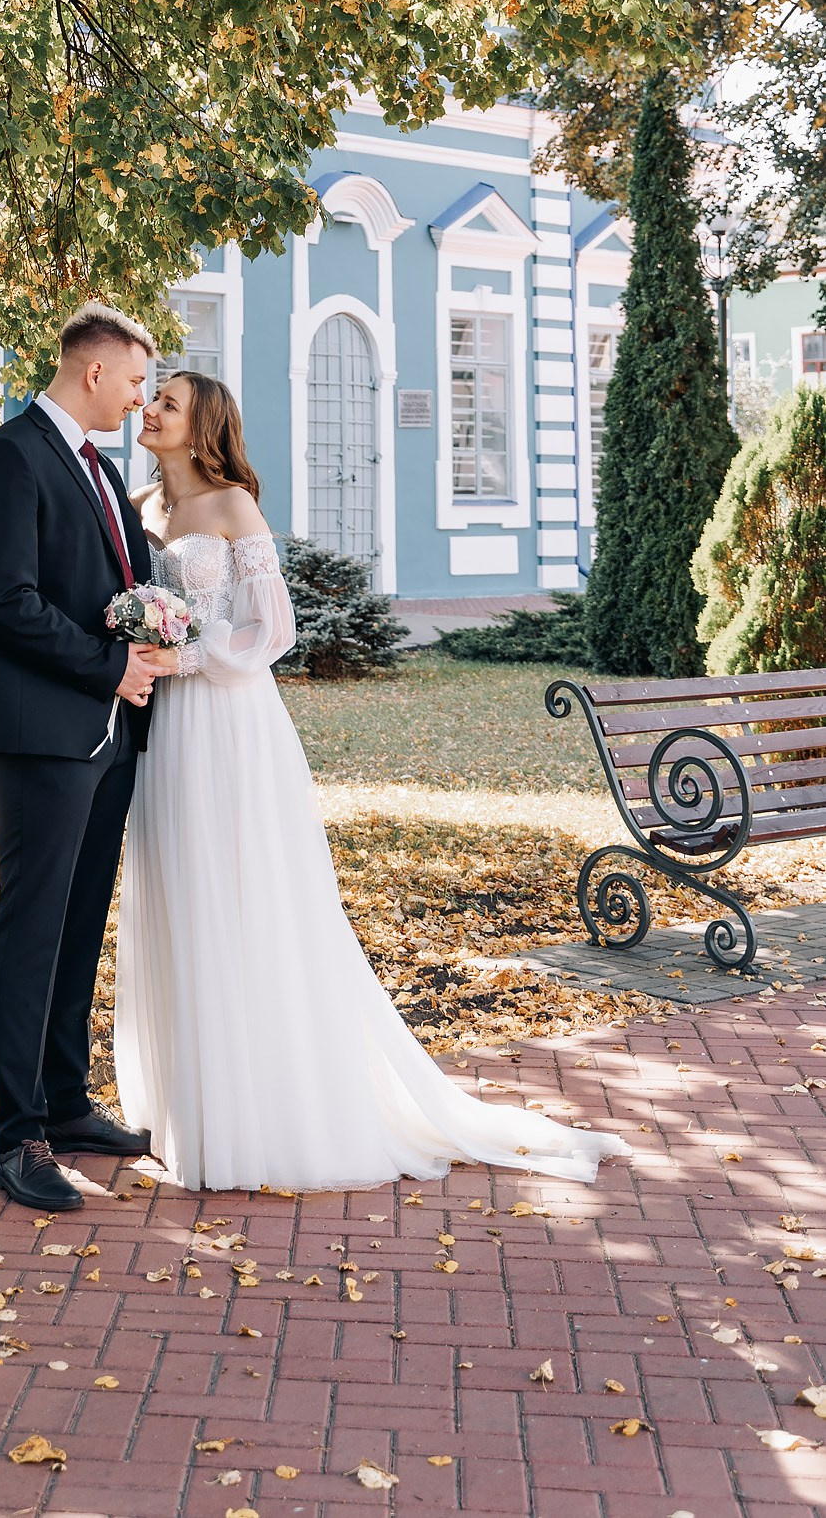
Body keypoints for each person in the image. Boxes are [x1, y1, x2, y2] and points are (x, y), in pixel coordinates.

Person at [114, 366, 632, 1194]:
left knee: (240, 888)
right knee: (179, 886)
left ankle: (262, 1114)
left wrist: (185, 657)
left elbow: (272, 630)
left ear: (201, 423)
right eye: (151, 398)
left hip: (229, 717)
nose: (150, 409)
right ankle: (190, 1107)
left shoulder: (231, 506)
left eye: (167, 403)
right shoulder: (137, 506)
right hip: (164, 724)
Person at [0, 302, 177, 1212]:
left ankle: (65, 1101)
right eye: (132, 381)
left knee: (81, 924)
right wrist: (108, 666)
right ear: (93, 371)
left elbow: (119, 584)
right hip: (42, 736)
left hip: (109, 735)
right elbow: (6, 600)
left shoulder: (97, 465)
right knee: (33, 928)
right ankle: (18, 1137)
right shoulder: (10, 458)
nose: (137, 400)